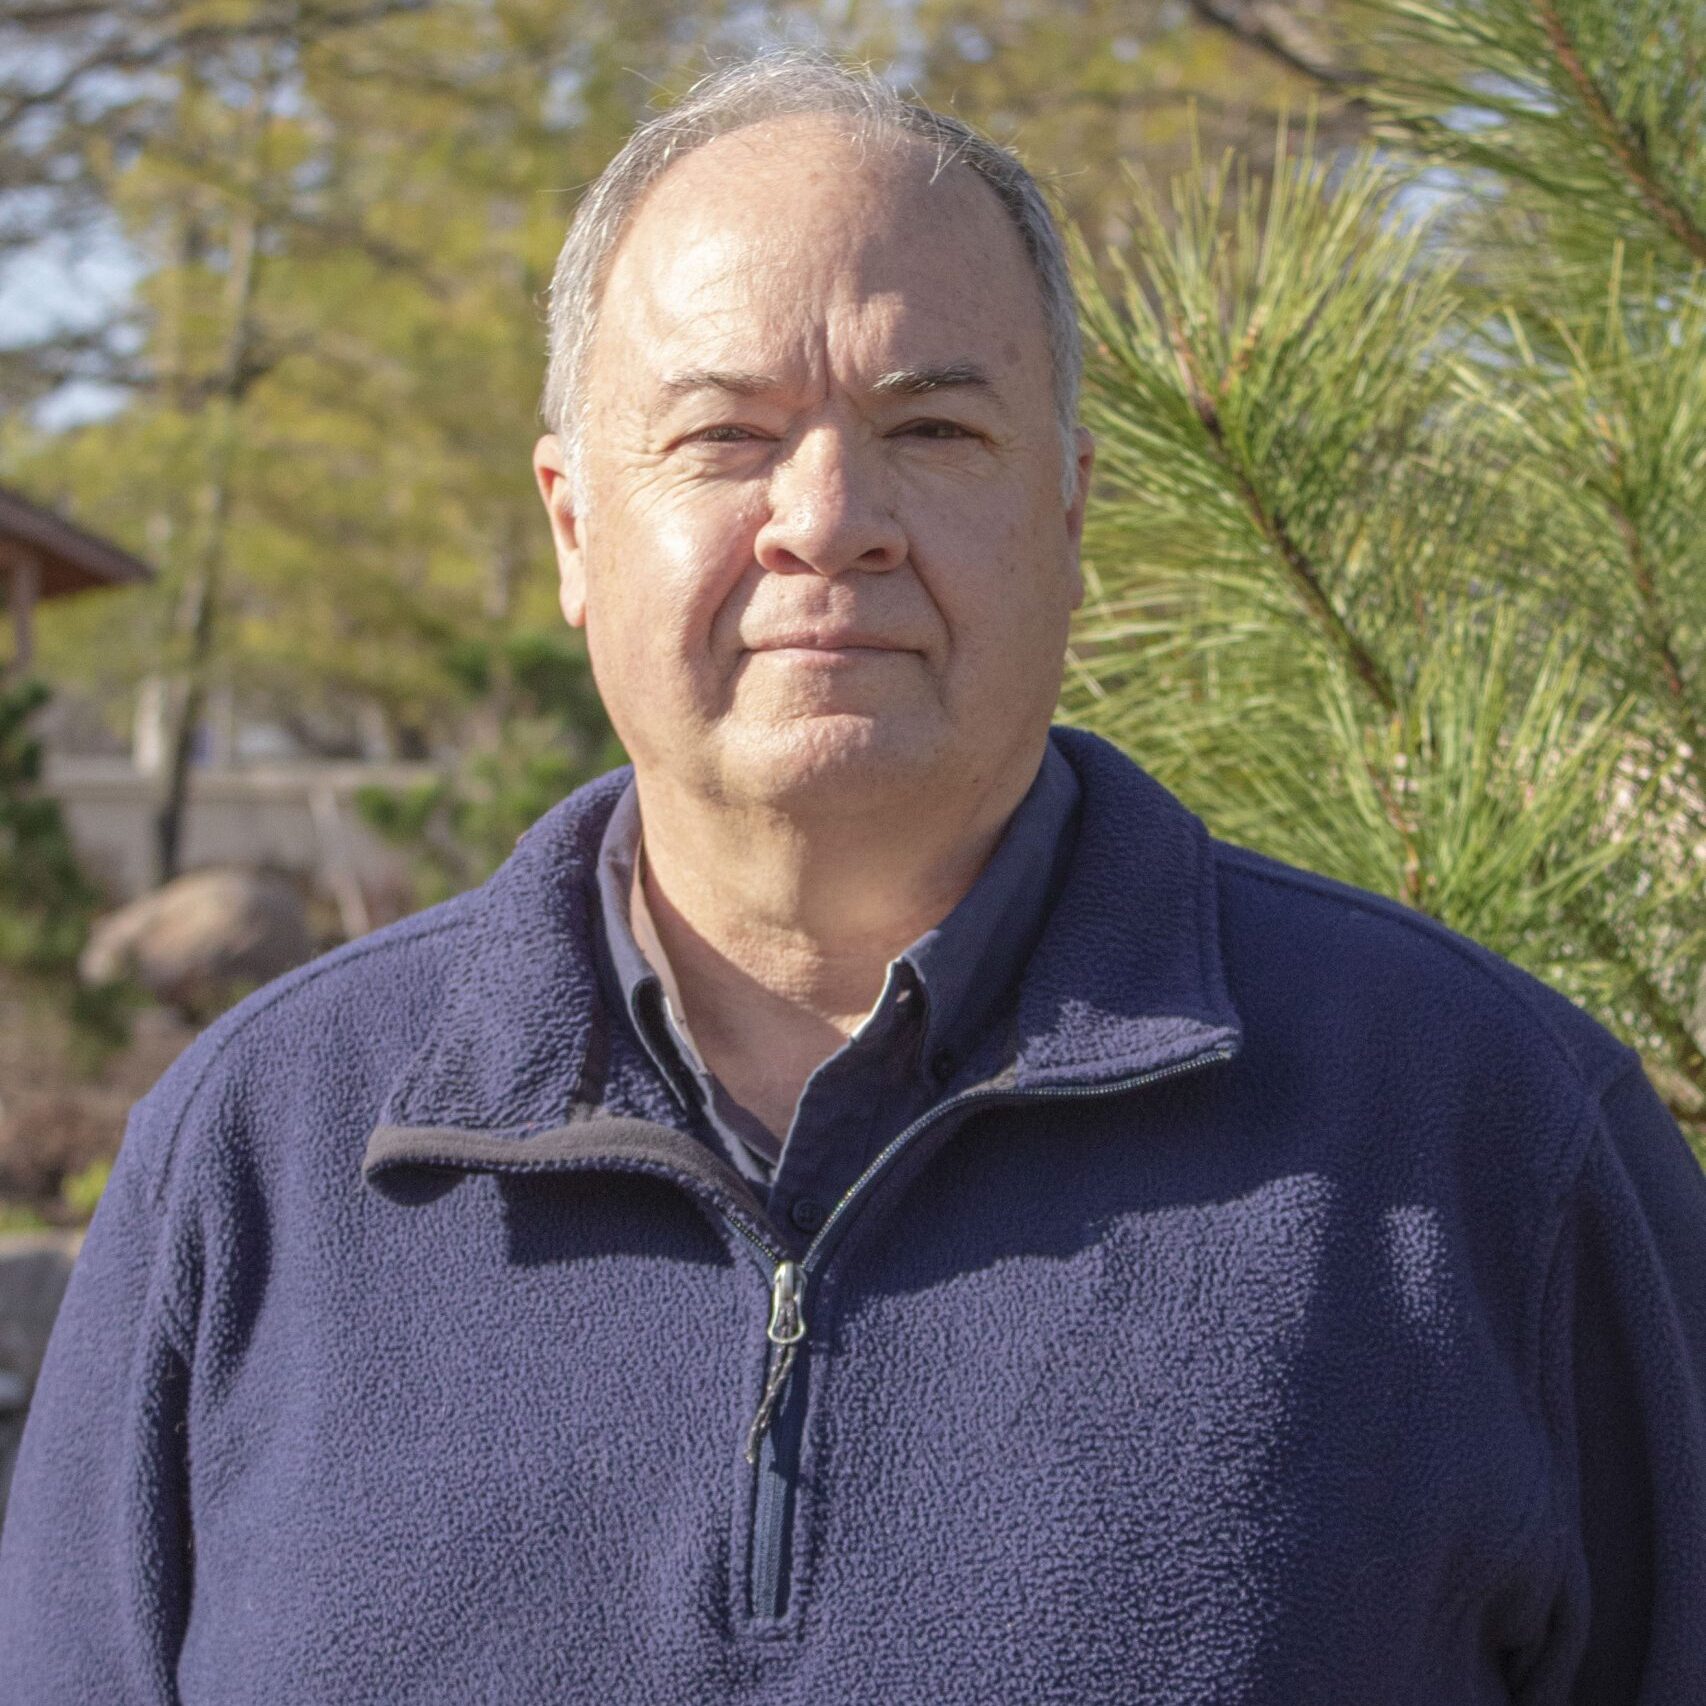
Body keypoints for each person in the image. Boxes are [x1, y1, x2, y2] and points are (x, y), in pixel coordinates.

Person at [2, 49, 1703, 1706]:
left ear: (1070, 507)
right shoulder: (261, 1154)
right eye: (725, 435)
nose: (829, 518)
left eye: (934, 426)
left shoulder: (1489, 1131)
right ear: (574, 527)